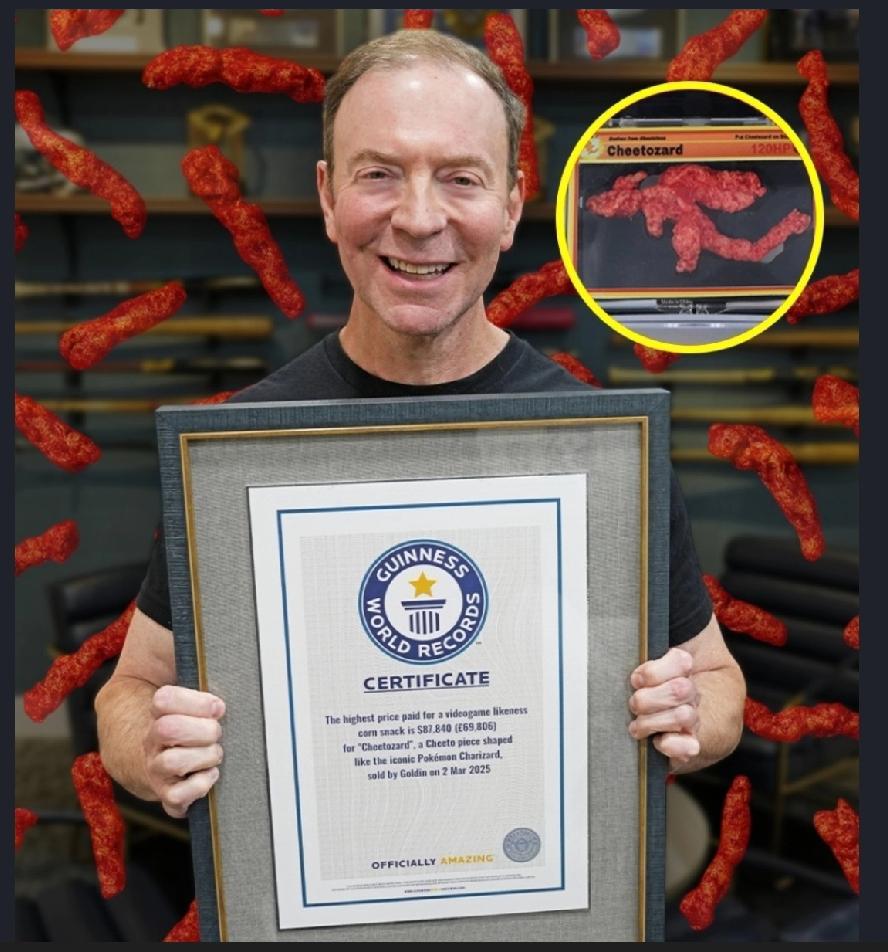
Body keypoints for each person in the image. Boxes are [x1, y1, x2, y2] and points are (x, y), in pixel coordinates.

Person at [95, 29, 745, 820]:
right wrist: (152, 744)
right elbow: (130, 688)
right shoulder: (238, 451)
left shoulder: (604, 448)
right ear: (328, 198)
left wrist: (690, 712)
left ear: (510, 209)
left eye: (461, 179)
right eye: (379, 174)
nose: (418, 217)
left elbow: (719, 683)